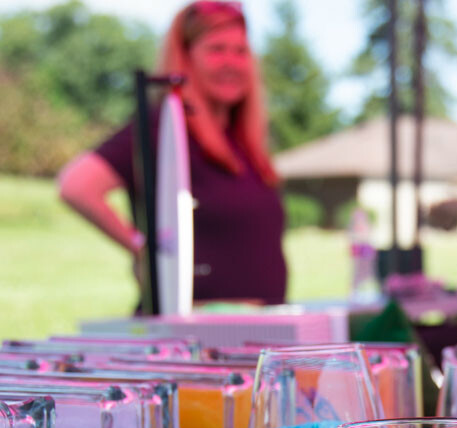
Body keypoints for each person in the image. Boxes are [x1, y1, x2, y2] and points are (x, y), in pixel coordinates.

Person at [58, 1, 286, 306]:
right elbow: (77, 186)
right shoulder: (165, 130)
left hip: (257, 327)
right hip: (193, 327)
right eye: (216, 50)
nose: (231, 63)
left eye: (240, 51)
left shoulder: (243, 144)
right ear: (186, 58)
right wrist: (145, 250)